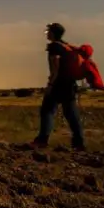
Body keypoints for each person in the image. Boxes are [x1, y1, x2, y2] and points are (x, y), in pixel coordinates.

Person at [30, 22, 86, 150]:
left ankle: (42, 140)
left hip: (58, 84)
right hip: (70, 84)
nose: (46, 34)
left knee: (47, 111)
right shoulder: (66, 46)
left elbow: (55, 67)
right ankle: (79, 143)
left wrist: (50, 84)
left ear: (53, 33)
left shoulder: (54, 47)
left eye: (48, 31)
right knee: (71, 115)